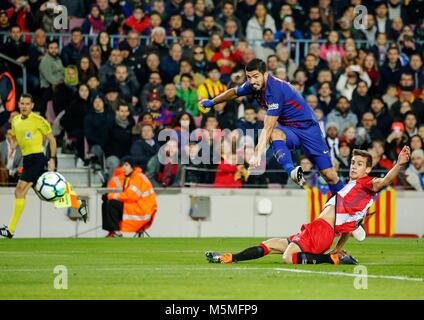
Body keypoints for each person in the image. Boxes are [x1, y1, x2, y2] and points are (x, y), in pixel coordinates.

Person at [206, 147, 411, 265]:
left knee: (288, 258)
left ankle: (331, 260)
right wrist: (339, 248)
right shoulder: (351, 189)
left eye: (359, 164)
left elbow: (383, 182)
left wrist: (399, 164)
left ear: (368, 169)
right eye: (353, 162)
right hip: (316, 229)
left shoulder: (367, 184)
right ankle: (229, 257)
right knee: (271, 243)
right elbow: (348, 226)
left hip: (321, 231)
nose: (353, 166)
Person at [199, 59, 344, 194]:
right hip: (291, 130)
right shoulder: (253, 85)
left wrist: (257, 153)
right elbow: (234, 92)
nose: (252, 81)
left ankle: (350, 206)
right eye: (249, 77)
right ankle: (291, 171)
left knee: (329, 176)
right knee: (275, 134)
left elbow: (267, 126)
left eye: (255, 76)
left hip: (310, 130)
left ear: (265, 74)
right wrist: (212, 102)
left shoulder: (275, 90)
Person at [0, 94, 87, 238]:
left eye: (27, 104)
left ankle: (10, 230)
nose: (24, 106)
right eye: (22, 103)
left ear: (32, 105)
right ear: (19, 105)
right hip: (27, 160)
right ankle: (78, 203)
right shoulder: (15, 121)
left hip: (37, 159)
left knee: (19, 191)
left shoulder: (39, 121)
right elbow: (16, 138)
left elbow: (52, 140)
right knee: (44, 195)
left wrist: (52, 158)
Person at [102, 156, 157, 237]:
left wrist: (110, 196)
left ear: (133, 167)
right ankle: (112, 231)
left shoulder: (138, 177)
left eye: (126, 165)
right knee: (106, 203)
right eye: (123, 165)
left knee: (111, 203)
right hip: (138, 207)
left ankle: (117, 232)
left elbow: (130, 196)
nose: (123, 168)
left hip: (142, 210)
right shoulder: (132, 177)